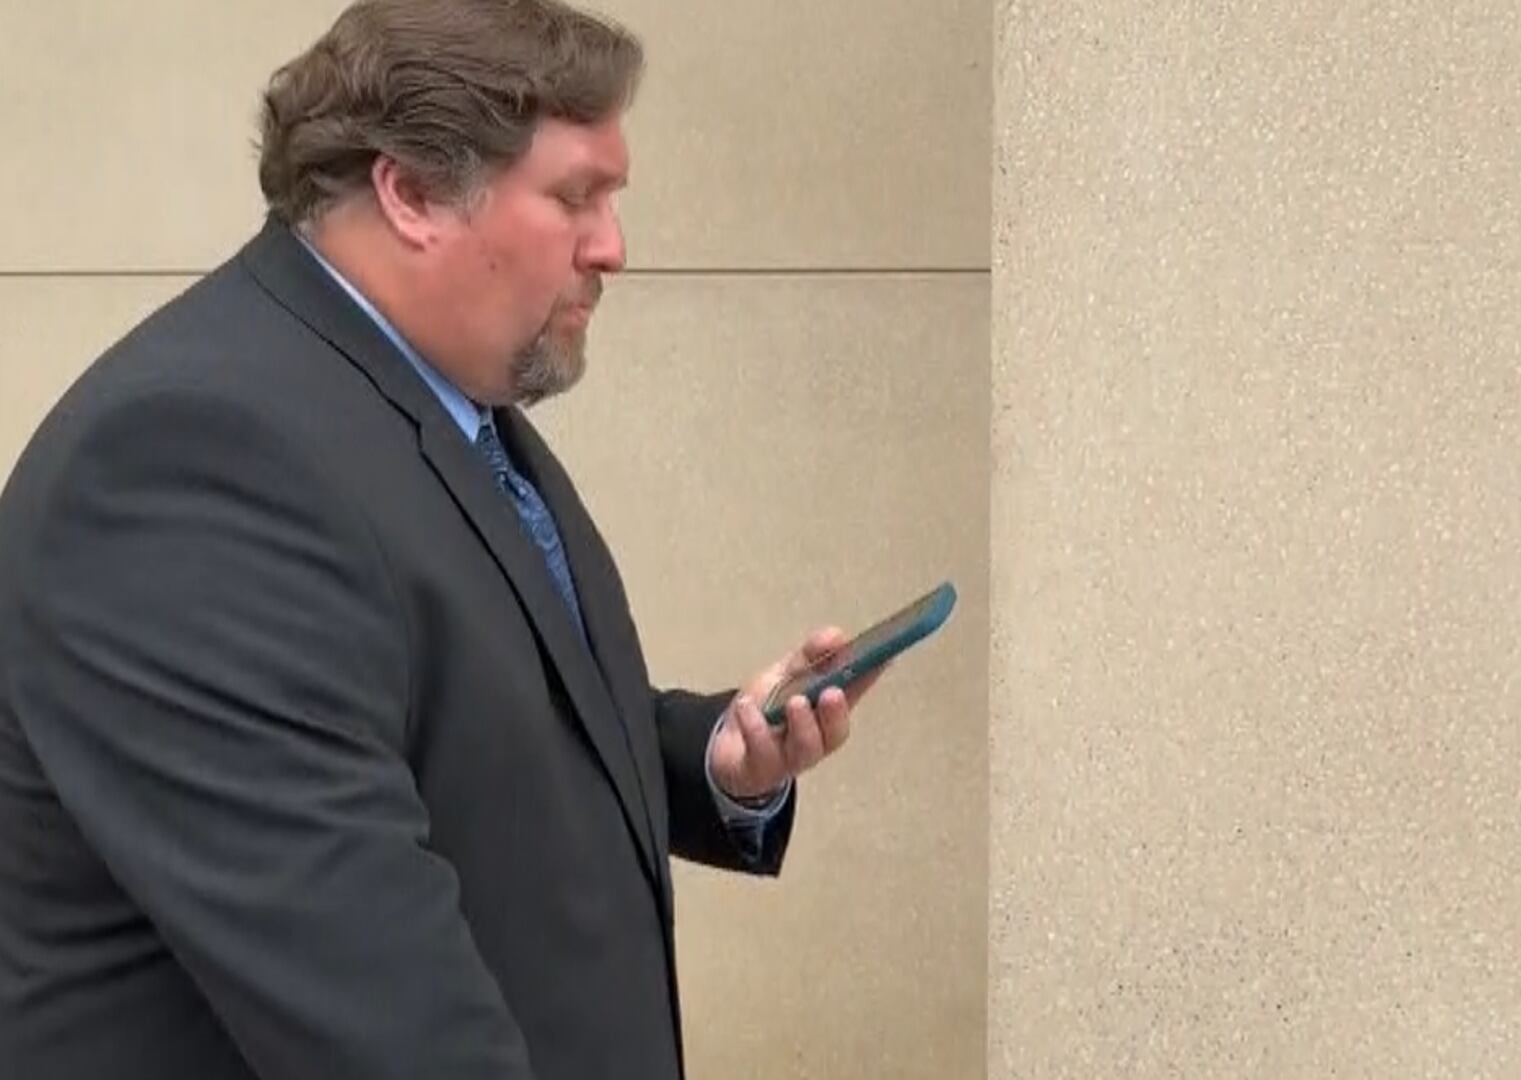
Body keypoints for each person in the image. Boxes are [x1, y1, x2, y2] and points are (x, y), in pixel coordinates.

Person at [0, 2, 885, 1077]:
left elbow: (470, 714)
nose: (613, 247)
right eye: (576, 197)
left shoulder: (425, 398)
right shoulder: (190, 462)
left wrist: (716, 765)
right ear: (411, 192)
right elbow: (376, 1010)